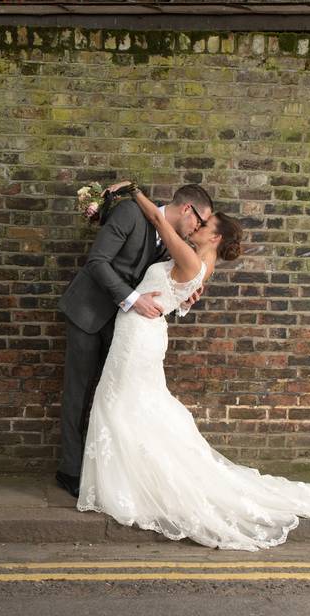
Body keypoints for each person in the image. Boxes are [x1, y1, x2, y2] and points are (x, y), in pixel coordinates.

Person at [76, 182, 310, 551]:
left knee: (121, 403)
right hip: (143, 330)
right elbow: (176, 288)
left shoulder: (191, 258)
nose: (199, 227)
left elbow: (157, 217)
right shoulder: (201, 264)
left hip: (139, 332)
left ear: (215, 237)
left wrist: (133, 191)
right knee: (129, 403)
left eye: (206, 225)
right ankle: (122, 477)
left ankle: (127, 483)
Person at [56, 183, 214, 498]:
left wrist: (183, 299)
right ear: (186, 208)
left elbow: (164, 283)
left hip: (124, 327)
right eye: (199, 219)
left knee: (113, 397)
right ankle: (69, 470)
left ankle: (103, 470)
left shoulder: (172, 242)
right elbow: (98, 262)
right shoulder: (129, 213)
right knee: (80, 392)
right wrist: (132, 299)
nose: (199, 227)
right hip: (88, 313)